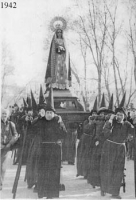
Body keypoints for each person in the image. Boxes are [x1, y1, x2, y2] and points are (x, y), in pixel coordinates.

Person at [37, 88, 67, 199]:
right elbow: (33, 130)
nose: (49, 114)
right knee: (43, 171)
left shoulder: (58, 122)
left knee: (54, 172)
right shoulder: (41, 122)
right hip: (43, 149)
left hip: (54, 150)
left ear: (54, 114)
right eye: (47, 112)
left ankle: (52, 194)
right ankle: (42, 192)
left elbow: (65, 135)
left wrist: (60, 124)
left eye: (51, 113)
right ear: (45, 113)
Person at [100, 107, 134, 199]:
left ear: (125, 116)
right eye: (117, 114)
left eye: (121, 115)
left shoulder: (127, 124)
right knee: (107, 169)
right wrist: (110, 120)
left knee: (118, 170)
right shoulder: (111, 123)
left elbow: (132, 132)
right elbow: (105, 133)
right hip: (109, 147)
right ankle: (104, 188)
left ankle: (115, 192)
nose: (119, 117)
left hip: (121, 149)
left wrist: (130, 137)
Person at [1, 108, 19, 190]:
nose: (4, 115)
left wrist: (9, 144)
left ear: (7, 115)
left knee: (2, 167)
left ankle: (0, 184)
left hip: (6, 148)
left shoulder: (11, 124)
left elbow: (16, 135)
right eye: (2, 114)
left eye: (5, 114)